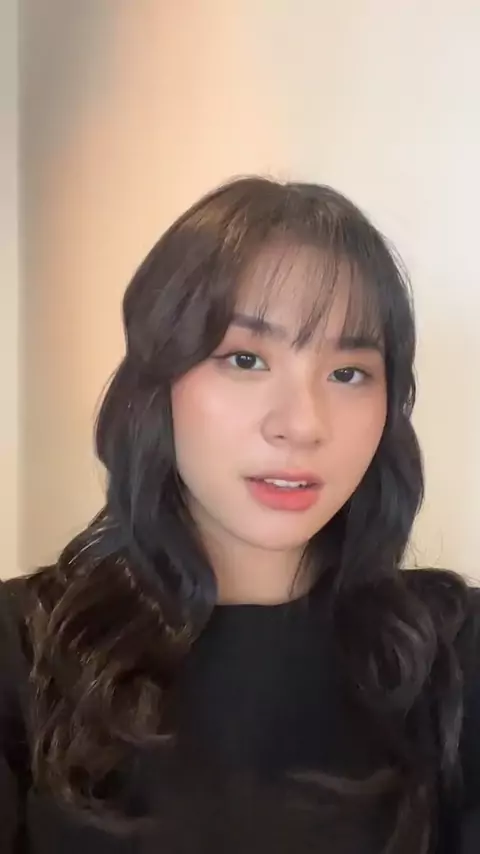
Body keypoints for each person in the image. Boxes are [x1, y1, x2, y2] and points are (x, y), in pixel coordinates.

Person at [0, 177, 479, 854]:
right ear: (157, 383)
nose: (302, 424)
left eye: (348, 373)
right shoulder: (26, 651)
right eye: (245, 359)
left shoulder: (454, 659)